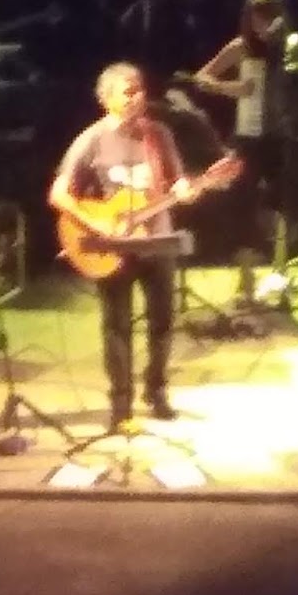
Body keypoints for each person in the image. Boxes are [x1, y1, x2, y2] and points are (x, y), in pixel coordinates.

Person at [49, 63, 194, 430]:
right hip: (113, 245)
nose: (137, 97)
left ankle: (156, 391)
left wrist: (186, 190)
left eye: (140, 90)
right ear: (106, 99)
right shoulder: (91, 139)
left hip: (158, 240)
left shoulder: (159, 135)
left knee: (163, 321)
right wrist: (94, 223)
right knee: (117, 326)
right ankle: (121, 405)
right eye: (128, 92)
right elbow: (59, 195)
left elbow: (178, 181)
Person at [190, 0, 296, 302]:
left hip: (281, 136)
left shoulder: (290, 49)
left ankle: (279, 274)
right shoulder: (241, 47)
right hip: (248, 136)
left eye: (268, 18)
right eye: (256, 18)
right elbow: (200, 78)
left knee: (282, 206)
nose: (262, 25)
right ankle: (246, 279)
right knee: (243, 206)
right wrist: (231, 88)